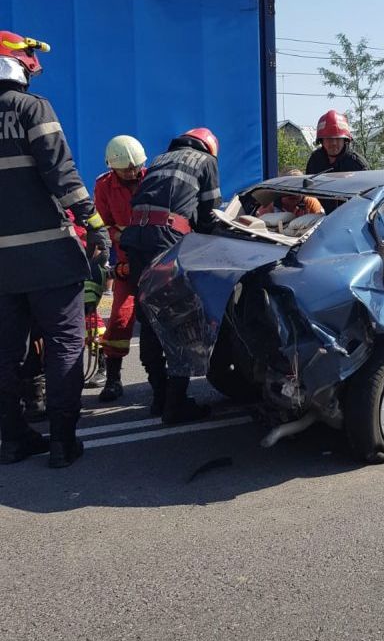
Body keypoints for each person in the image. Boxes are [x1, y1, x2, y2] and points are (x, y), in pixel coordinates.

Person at [0, 30, 106, 467]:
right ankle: (62, 441)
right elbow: (61, 172)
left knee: (5, 354)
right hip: (47, 258)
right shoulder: (31, 108)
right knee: (65, 342)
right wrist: (93, 224)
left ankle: (12, 439)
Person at [120, 128, 222, 424]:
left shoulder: (160, 159)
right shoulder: (206, 162)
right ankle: (176, 405)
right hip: (165, 240)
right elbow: (210, 216)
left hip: (136, 240)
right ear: (210, 148)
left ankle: (159, 397)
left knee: (149, 317)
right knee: (178, 319)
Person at [93, 135, 148, 401]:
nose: (133, 172)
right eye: (126, 169)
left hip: (156, 262)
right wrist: (124, 238)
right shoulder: (104, 186)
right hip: (128, 266)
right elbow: (102, 225)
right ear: (112, 166)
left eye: (136, 167)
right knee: (119, 319)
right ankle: (113, 379)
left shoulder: (153, 178)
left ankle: (169, 379)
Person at [304, 110, 368, 213]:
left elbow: (367, 197)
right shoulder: (315, 160)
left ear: (345, 140)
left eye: (338, 138)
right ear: (321, 141)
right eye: (329, 138)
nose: (333, 143)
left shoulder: (357, 164)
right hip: (320, 216)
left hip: (350, 216)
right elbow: (308, 190)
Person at [256, 168, 324, 218]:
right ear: (280, 190)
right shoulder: (270, 203)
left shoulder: (310, 202)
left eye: (297, 189)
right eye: (288, 190)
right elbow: (260, 226)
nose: (293, 194)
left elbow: (320, 224)